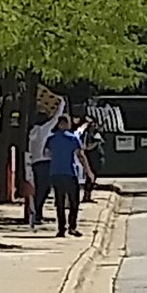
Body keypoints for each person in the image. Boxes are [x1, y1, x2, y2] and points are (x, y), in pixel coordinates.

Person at [45, 115, 94, 237]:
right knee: (74, 201)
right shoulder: (73, 138)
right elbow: (80, 156)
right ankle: (72, 227)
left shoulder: (51, 139)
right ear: (67, 124)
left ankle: (61, 228)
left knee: (59, 201)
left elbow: (46, 154)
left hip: (55, 172)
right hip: (70, 172)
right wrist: (89, 172)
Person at [26, 94, 66, 227]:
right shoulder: (43, 130)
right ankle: (37, 213)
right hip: (44, 163)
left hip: (35, 163)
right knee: (44, 189)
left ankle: (38, 213)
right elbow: (55, 119)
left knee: (40, 189)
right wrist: (62, 105)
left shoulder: (32, 132)